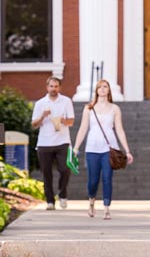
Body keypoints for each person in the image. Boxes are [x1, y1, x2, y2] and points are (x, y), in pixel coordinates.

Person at [73, 79, 134, 220]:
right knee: (92, 181)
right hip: (92, 149)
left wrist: (127, 150)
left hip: (109, 149)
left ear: (109, 90)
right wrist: (76, 147)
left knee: (107, 178)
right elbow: (83, 128)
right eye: (99, 87)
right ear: (96, 90)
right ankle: (91, 203)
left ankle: (106, 208)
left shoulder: (115, 108)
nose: (102, 89)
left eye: (105, 86)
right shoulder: (89, 108)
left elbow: (119, 129)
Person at [31, 76, 75, 210]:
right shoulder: (40, 103)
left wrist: (63, 120)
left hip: (62, 141)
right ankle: (50, 201)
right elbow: (34, 125)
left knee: (65, 169)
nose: (53, 89)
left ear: (59, 88)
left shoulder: (66, 101)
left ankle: (62, 195)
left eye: (56, 86)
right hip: (44, 143)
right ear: (47, 87)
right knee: (46, 174)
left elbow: (71, 122)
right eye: (51, 86)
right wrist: (43, 116)